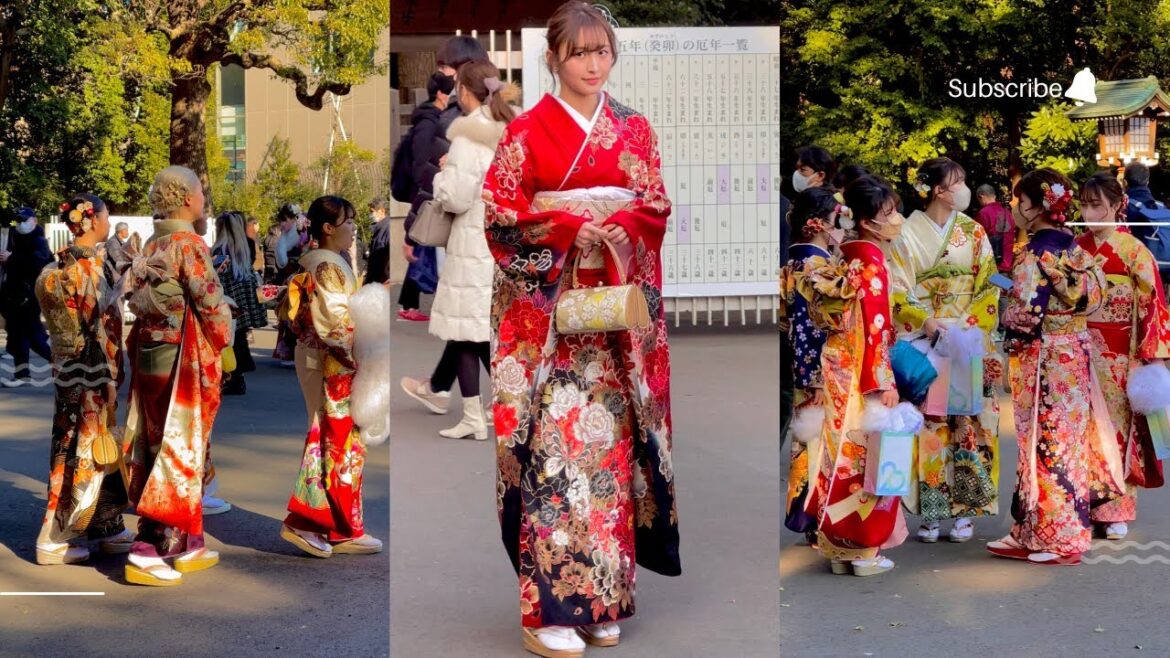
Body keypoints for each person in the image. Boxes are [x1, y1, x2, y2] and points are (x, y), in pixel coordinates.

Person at [481, 4, 678, 654]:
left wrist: (620, 230)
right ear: (553, 59)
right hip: (550, 321)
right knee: (558, 454)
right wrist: (568, 230)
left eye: (603, 52)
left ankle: (603, 596)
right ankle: (553, 607)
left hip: (614, 319)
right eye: (579, 53)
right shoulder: (527, 133)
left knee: (610, 458)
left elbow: (653, 204)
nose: (594, 65)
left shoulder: (633, 129)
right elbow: (501, 216)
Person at [988, 167, 1116, 566]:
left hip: (1042, 359)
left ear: (1036, 205)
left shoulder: (1033, 254)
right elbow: (1093, 301)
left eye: (1018, 200)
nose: (1014, 206)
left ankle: (1058, 539)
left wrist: (1004, 314)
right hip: (1074, 352)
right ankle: (1030, 529)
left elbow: (1026, 315)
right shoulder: (1076, 250)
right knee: (1061, 444)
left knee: (1046, 446)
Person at [121, 165, 232, 586]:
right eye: (201, 190)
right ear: (187, 198)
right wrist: (224, 338)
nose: (204, 198)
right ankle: (147, 549)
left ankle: (190, 541)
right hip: (182, 359)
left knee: (163, 442)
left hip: (152, 351)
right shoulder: (189, 245)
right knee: (176, 447)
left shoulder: (155, 242)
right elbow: (211, 305)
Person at [400, 61, 516, 440]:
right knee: (483, 333)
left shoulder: (469, 137)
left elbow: (455, 197)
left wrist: (442, 173)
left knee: (467, 333)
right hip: (501, 242)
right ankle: (507, 405)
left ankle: (472, 416)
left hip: (472, 243)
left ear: (465, 91)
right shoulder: (509, 130)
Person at [887, 157, 1000, 544]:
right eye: (959, 181)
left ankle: (966, 511)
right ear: (938, 189)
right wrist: (925, 321)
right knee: (931, 425)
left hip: (966, 336)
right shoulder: (904, 233)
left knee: (967, 425)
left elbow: (990, 282)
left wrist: (971, 325)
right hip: (927, 335)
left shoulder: (974, 232)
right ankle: (931, 513)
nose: (964, 187)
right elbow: (897, 287)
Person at [802, 175, 906, 576]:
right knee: (865, 454)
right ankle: (865, 549)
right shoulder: (873, 263)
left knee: (838, 449)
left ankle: (838, 547)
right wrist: (882, 384)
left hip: (837, 364)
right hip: (863, 367)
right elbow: (876, 327)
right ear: (867, 222)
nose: (895, 218)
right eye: (888, 212)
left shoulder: (845, 256)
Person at [278, 196, 383, 558]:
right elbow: (337, 324)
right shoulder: (326, 266)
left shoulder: (326, 262)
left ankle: (339, 524)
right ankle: (312, 521)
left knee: (337, 439)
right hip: (332, 362)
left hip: (326, 360)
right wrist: (369, 341)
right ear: (328, 228)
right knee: (335, 440)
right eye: (348, 222)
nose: (354, 228)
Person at [32, 194, 134, 565]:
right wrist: (108, 374)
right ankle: (54, 536)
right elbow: (96, 328)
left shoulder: (58, 265)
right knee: (82, 449)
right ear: (91, 222)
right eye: (105, 216)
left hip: (68, 367)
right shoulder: (88, 269)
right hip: (91, 370)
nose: (109, 222)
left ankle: (105, 522)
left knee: (90, 445)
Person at [1076, 172, 1170, 540]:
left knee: (1117, 432)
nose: (1089, 211)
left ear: (1116, 206)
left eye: (1096, 204)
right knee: (1081, 431)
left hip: (1121, 353)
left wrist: (1154, 356)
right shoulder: (1076, 248)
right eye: (1084, 204)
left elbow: (1153, 305)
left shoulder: (1134, 251)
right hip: (1079, 350)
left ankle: (1116, 509)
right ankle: (1083, 504)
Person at [780, 187, 839, 548]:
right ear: (819, 223)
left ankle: (809, 517)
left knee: (808, 442)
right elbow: (807, 325)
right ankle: (816, 518)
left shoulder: (795, 260)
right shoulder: (813, 266)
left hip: (803, 362)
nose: (840, 226)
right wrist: (813, 376)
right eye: (836, 219)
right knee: (819, 443)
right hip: (817, 366)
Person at [397, 71, 457, 322]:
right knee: (423, 247)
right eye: (452, 90)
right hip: (430, 193)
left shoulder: (430, 118)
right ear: (442, 94)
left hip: (430, 193)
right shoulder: (430, 123)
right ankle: (412, 305)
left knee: (424, 250)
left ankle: (411, 304)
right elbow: (421, 166)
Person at [212, 211, 268, 395]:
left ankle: (233, 376)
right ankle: (237, 375)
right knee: (238, 336)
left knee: (228, 339)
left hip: (228, 296)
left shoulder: (220, 250)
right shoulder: (245, 247)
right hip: (243, 294)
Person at [0, 207, 53, 386]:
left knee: (30, 338)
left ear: (34, 221)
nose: (20, 224)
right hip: (15, 296)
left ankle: (58, 365)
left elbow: (38, 264)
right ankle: (24, 373)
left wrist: (12, 259)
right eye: (18, 220)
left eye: (24, 220)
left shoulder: (38, 241)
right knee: (22, 337)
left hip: (28, 297)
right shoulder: (14, 239)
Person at [974, 184, 1015, 273]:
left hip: (992, 265)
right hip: (1008, 262)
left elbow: (977, 239)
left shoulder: (983, 213)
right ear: (994, 196)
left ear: (981, 196)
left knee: (995, 285)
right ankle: (1006, 286)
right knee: (1006, 285)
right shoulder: (1007, 212)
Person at [363, 197, 391, 285]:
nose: (370, 215)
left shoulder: (388, 229)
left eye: (372, 211)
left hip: (382, 284)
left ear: (382, 211)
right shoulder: (377, 229)